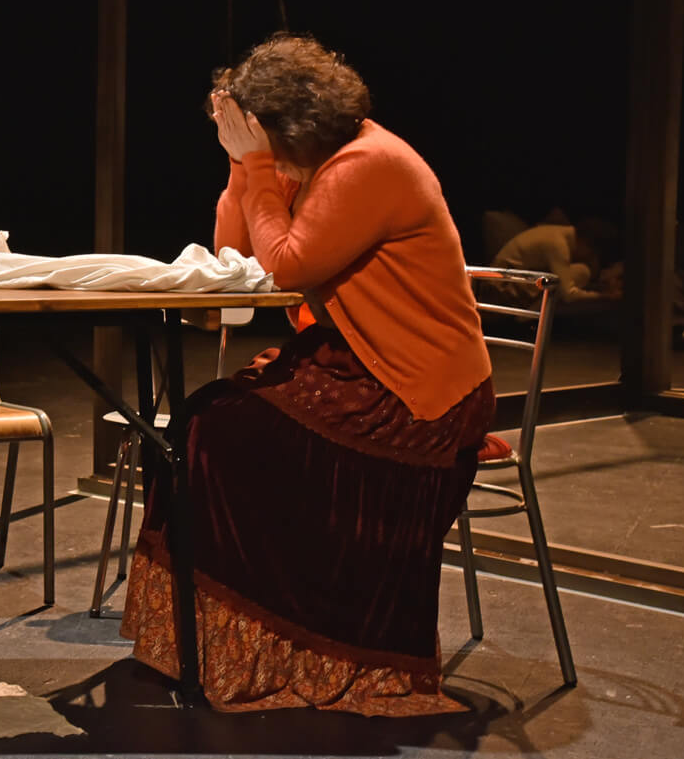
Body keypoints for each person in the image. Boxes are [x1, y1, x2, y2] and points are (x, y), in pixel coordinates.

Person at [120, 35, 496, 716]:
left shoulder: (368, 165)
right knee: (203, 420)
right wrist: (243, 169)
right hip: (352, 360)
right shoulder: (312, 166)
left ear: (288, 128)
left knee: (218, 434)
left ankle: (300, 640)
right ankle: (223, 642)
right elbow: (238, 259)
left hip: (413, 390)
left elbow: (287, 266)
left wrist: (257, 166)